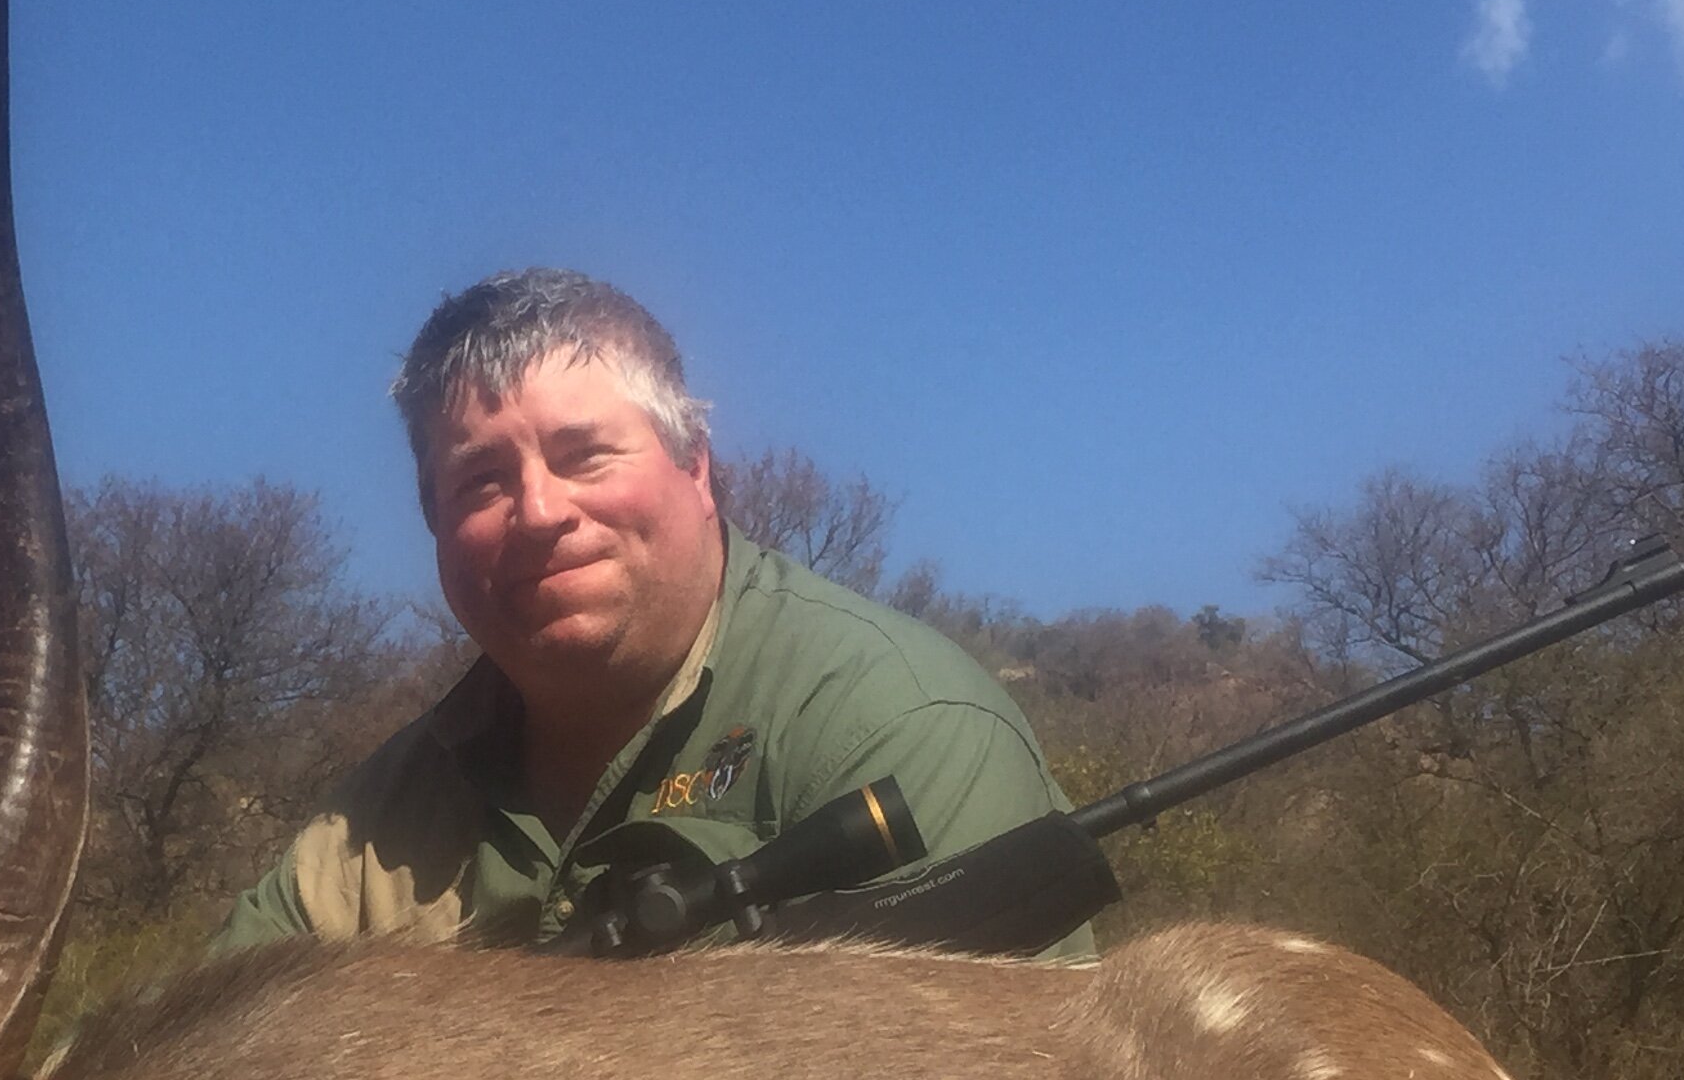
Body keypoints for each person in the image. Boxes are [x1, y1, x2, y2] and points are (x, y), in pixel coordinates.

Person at [218, 268, 1078, 953]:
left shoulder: (904, 731)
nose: (541, 512)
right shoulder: (369, 832)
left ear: (696, 469)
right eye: (481, 481)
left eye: (582, 455)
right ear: (434, 524)